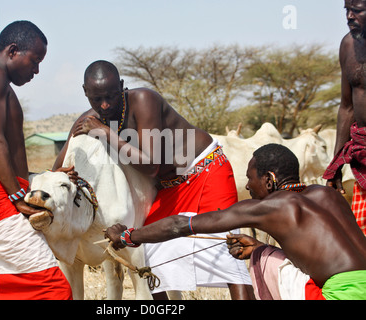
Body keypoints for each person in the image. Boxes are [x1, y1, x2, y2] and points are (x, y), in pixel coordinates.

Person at [53, 60, 253, 300]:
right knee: (149, 248)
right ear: (85, 93)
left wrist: (105, 132)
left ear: (122, 87)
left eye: (111, 96)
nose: (105, 105)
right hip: (169, 188)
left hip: (206, 169)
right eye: (97, 99)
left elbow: (151, 165)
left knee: (226, 246)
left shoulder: (144, 100)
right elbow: (58, 169)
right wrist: (66, 174)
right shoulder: (88, 121)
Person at [105, 144, 366, 300]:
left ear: (269, 179)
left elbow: (180, 225)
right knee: (263, 252)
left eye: (250, 178)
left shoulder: (273, 206)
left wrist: (129, 237)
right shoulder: (328, 195)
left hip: (338, 294)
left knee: (264, 260)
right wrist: (260, 248)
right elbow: (321, 253)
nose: (247, 186)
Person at [0, 20, 74, 300]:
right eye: (34, 60)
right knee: (54, 290)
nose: (36, 70)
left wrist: (46, 176)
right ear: (12, 51)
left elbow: (5, 154)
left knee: (1, 288)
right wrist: (18, 196)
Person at [323, 0, 366, 236]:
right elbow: (347, 107)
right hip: (362, 153)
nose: (349, 16)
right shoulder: (348, 45)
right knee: (361, 237)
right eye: (346, 10)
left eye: (357, 10)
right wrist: (335, 164)